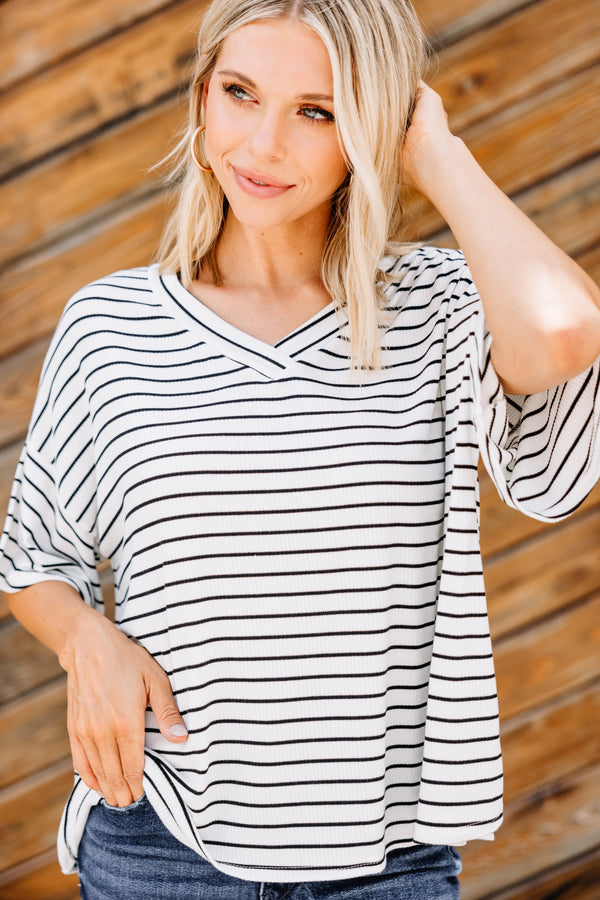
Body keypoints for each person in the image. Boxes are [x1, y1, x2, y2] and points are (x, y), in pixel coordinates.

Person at [1, 0, 599, 897]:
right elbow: (31, 560)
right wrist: (85, 638)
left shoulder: (438, 308)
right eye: (240, 94)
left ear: (372, 125)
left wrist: (433, 148)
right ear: (202, 104)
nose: (264, 144)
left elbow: (561, 333)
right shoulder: (113, 329)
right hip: (161, 843)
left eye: (317, 110)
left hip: (386, 858)